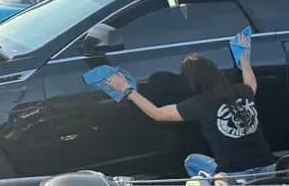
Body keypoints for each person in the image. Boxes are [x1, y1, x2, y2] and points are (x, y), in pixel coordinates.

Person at [106, 33, 275, 177]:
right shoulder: (243, 91)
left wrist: (125, 89)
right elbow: (251, 82)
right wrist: (243, 56)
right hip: (269, 168)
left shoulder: (198, 105)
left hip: (234, 176)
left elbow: (157, 114)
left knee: (191, 161)